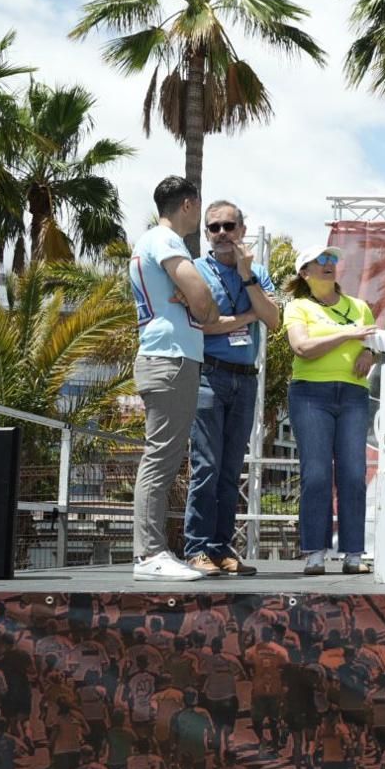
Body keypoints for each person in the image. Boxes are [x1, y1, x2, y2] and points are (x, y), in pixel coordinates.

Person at [128, 175, 220, 581]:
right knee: (160, 459)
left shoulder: (151, 241)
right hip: (169, 359)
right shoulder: (165, 240)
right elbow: (203, 301)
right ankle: (149, 554)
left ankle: (152, 553)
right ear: (189, 204)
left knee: (162, 457)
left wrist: (198, 302)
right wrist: (203, 304)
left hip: (167, 358)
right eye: (198, 207)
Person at [183, 200, 277, 576]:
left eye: (228, 226)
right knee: (206, 465)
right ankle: (196, 548)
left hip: (245, 379)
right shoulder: (195, 272)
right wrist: (247, 316)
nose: (221, 234)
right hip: (209, 375)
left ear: (242, 230)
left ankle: (221, 548)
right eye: (214, 227)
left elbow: (273, 320)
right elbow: (200, 325)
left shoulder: (256, 272)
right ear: (206, 233)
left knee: (230, 468)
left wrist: (247, 275)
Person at [283, 245, 377, 576]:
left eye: (333, 259)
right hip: (310, 394)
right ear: (304, 272)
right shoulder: (297, 307)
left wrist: (369, 353)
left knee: (353, 474)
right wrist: (347, 333)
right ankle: (314, 552)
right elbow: (302, 348)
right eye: (320, 260)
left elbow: (371, 342)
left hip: (353, 395)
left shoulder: (360, 307)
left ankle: (353, 553)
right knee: (317, 473)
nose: (329, 264)